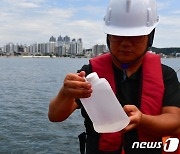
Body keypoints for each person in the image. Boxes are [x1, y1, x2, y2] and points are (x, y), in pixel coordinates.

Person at [48, 0, 180, 153]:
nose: (125, 43)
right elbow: (55, 115)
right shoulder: (89, 73)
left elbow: (175, 122)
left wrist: (143, 120)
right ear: (108, 37)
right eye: (117, 36)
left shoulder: (166, 75)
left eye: (135, 36)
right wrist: (65, 93)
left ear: (149, 38)